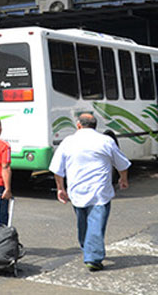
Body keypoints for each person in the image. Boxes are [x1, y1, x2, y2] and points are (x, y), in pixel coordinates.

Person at [49, 113, 130, 272]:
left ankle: (90, 251)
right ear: (95, 125)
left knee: (84, 222)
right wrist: (123, 179)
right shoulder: (106, 141)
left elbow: (57, 169)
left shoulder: (68, 142)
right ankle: (92, 256)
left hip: (77, 191)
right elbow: (122, 164)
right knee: (95, 223)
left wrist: (60, 188)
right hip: (100, 191)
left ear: (78, 125)